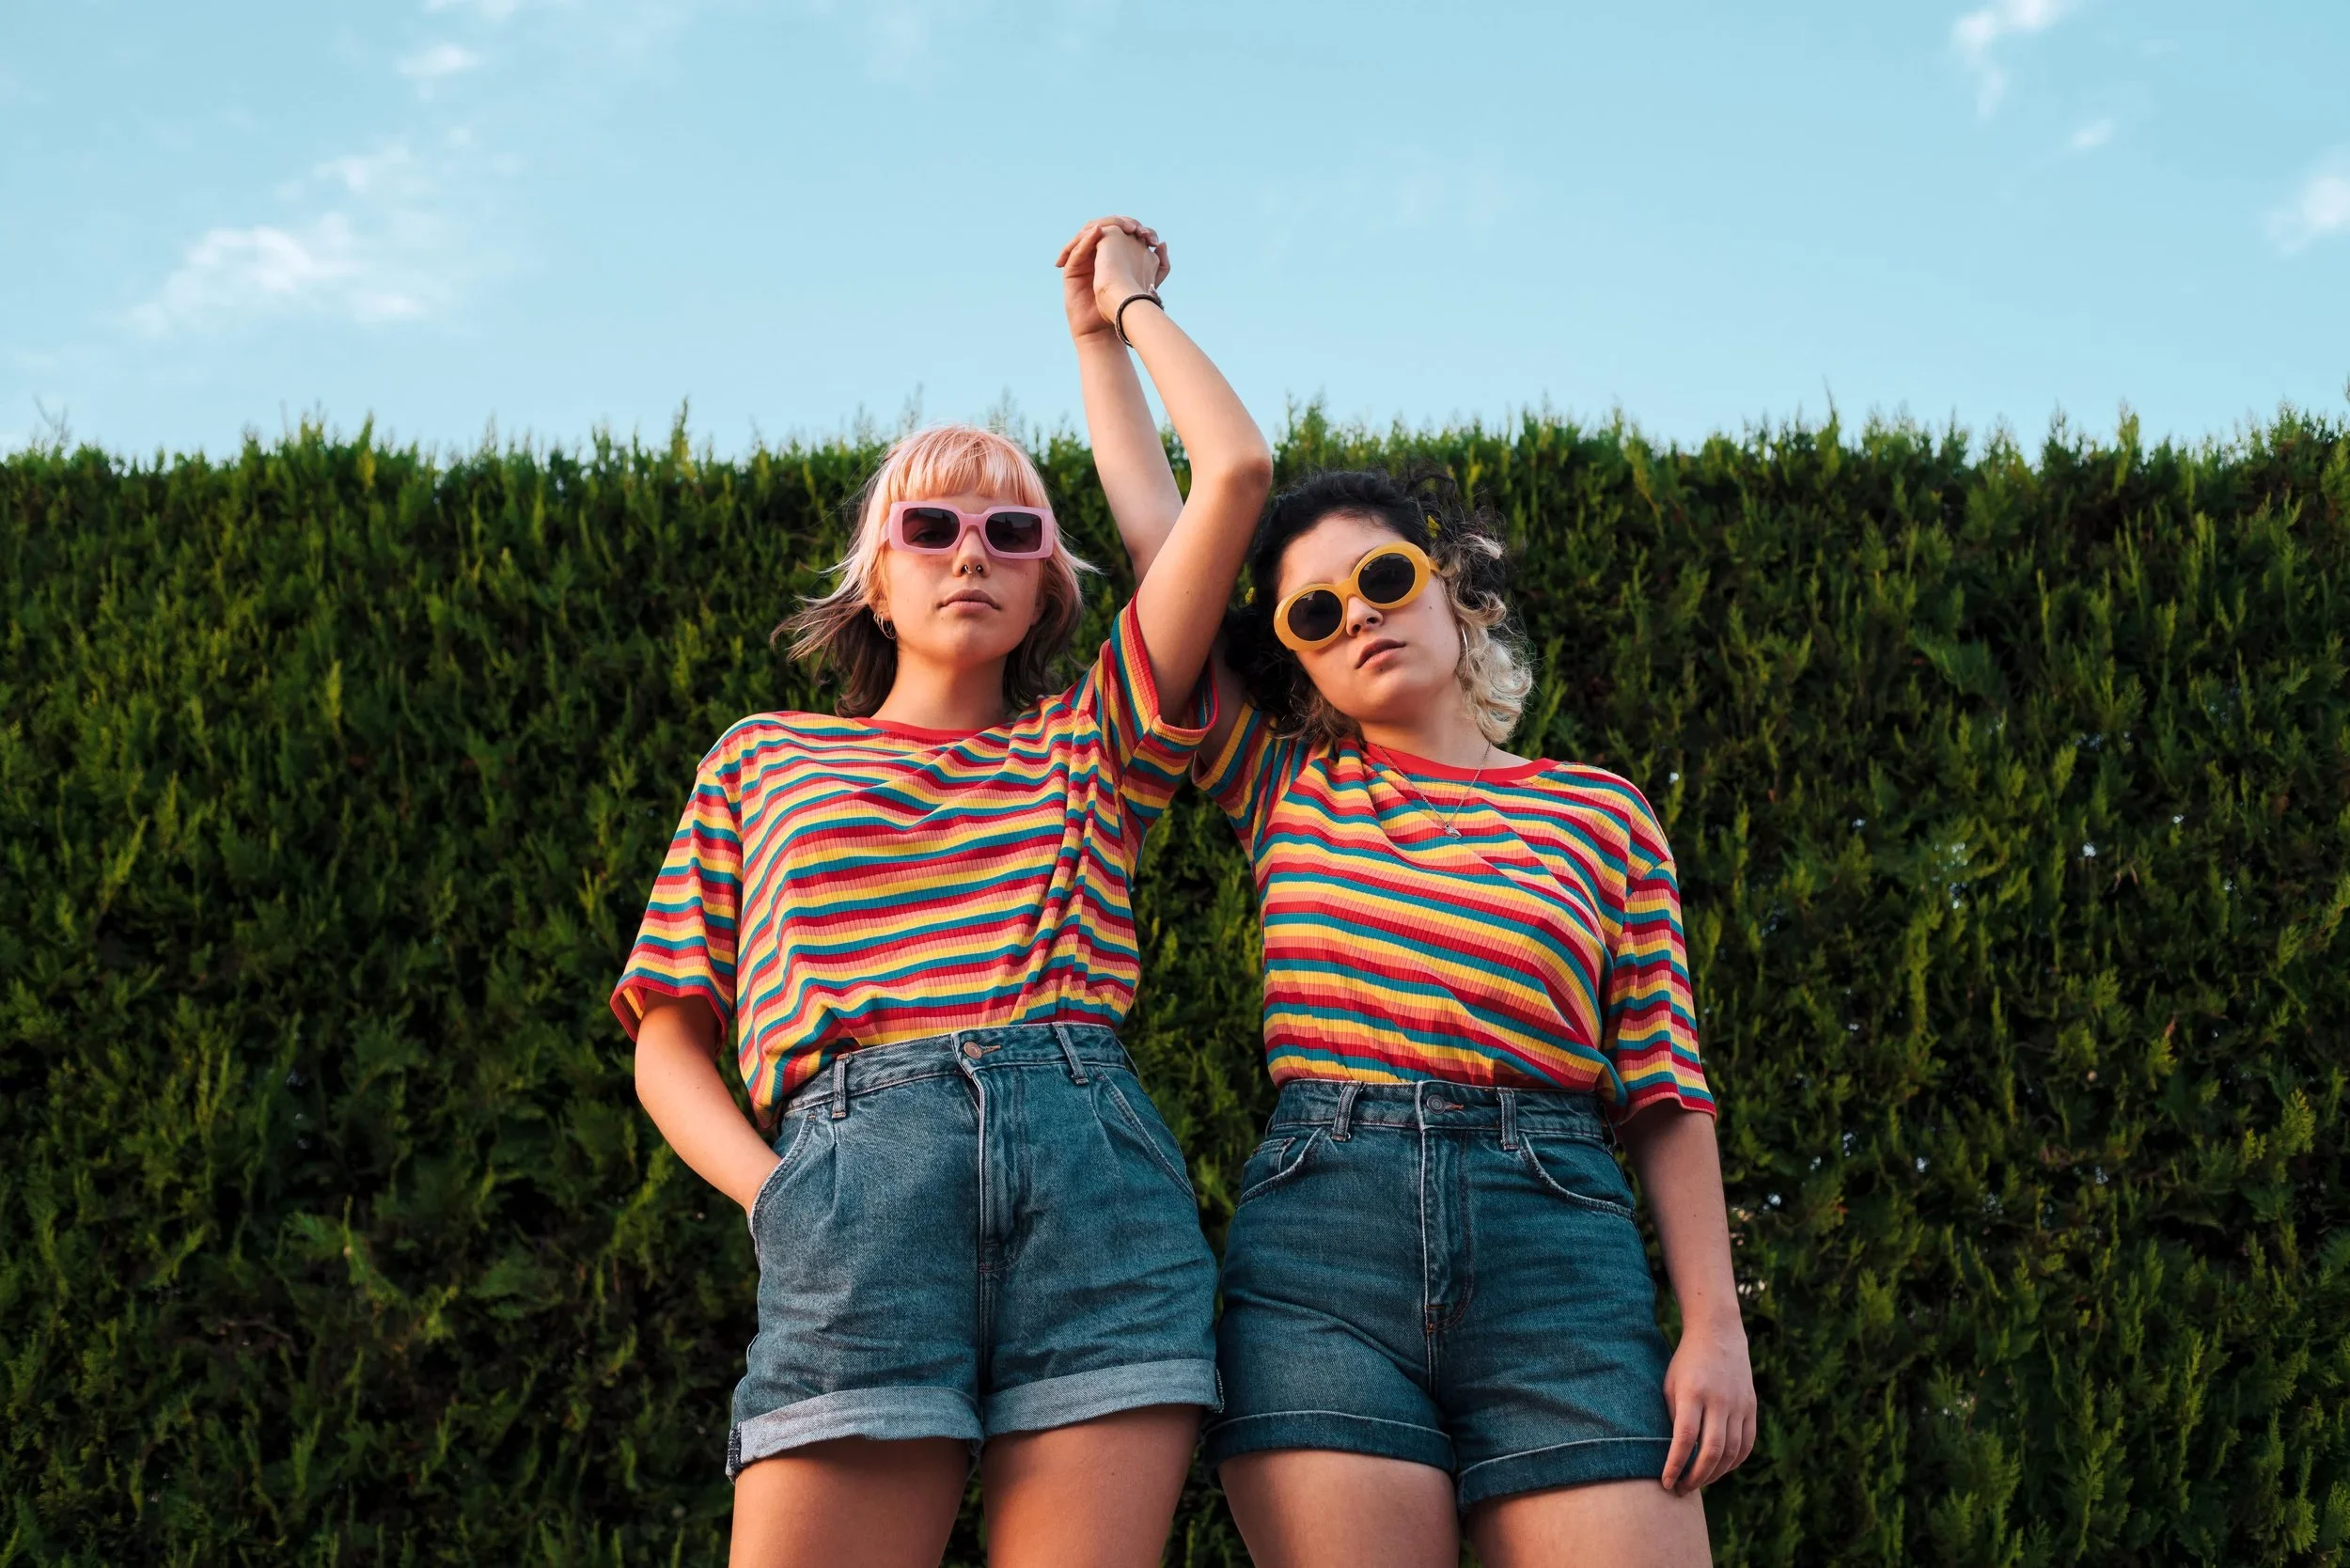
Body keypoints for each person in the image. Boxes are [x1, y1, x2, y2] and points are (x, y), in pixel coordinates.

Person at [613, 216, 1271, 1568]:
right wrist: (777, 1190)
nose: (969, 551)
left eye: (1010, 529)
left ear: (1047, 589)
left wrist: (1112, 325)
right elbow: (668, 1035)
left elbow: (1236, 475)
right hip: (853, 1182)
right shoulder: (762, 757)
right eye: (931, 525)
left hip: (1091, 1181)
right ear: (876, 572)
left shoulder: (1099, 740)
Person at [1075, 439, 1754, 1564]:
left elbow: (1664, 1086)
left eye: (1383, 580)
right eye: (1313, 614)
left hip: (1561, 1269)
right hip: (1322, 1265)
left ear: (1456, 587)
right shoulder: (1284, 785)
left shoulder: (1604, 816)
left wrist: (1714, 1328)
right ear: (1299, 664)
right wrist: (1110, 325)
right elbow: (1169, 543)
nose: (1357, 618)